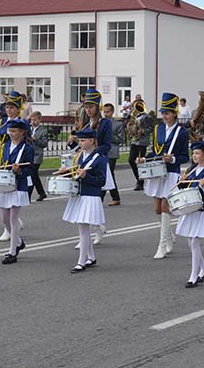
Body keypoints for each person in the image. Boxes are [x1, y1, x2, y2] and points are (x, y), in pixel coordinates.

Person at [136, 92, 189, 259]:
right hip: (157, 172)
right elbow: (155, 152)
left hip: (171, 172)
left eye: (167, 112)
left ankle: (162, 244)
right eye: (163, 112)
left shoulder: (182, 132)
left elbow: (185, 157)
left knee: (166, 207)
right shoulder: (158, 129)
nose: (164, 116)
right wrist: (144, 159)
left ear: (175, 113)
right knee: (157, 209)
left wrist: (173, 158)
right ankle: (169, 235)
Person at [56, 128, 106, 273]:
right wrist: (65, 172)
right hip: (79, 194)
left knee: (84, 229)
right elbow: (74, 174)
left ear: (92, 141)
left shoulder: (100, 158)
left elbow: (101, 181)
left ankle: (81, 261)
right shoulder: (79, 156)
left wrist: (86, 177)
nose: (81, 143)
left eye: (83, 141)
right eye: (80, 140)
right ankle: (91, 257)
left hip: (91, 195)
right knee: (82, 228)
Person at [69, 89, 113, 245]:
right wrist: (73, 141)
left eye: (91, 106)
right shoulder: (86, 124)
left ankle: (97, 229)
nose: (88, 110)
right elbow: (81, 145)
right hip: (85, 163)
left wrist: (94, 155)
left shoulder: (105, 123)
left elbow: (107, 145)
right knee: (86, 198)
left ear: (97, 107)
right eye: (86, 107)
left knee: (95, 199)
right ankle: (96, 229)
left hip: (98, 163)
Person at [175, 141, 204, 288]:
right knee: (190, 241)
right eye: (193, 153)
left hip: (202, 209)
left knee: (194, 241)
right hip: (190, 208)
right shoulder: (191, 171)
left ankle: (193, 276)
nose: (194, 156)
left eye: (197, 153)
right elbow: (185, 188)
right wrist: (181, 181)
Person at [0, 119, 34, 265]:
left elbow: (30, 168)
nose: (11, 133)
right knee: (4, 218)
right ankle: (19, 241)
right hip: (4, 185)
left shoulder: (27, 148)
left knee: (13, 218)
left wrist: (20, 170)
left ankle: (12, 251)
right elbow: (1, 163)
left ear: (22, 132)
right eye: (10, 131)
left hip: (19, 185)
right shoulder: (5, 146)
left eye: (14, 131)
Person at [0, 91, 27, 241]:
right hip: (3, 163)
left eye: (12, 108)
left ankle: (12, 229)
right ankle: (11, 227)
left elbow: (26, 143)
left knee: (12, 201)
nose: (9, 110)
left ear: (18, 109)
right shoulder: (1, 122)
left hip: (16, 164)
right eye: (7, 107)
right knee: (3, 200)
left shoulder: (23, 124)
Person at [127, 99, 154, 191]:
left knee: (140, 161)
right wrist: (129, 128)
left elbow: (151, 128)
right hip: (134, 141)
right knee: (131, 160)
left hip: (142, 142)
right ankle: (139, 178)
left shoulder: (147, 117)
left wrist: (143, 131)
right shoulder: (133, 116)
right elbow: (130, 126)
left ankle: (140, 182)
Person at [102, 103, 124, 206]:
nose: (106, 114)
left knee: (107, 174)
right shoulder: (100, 123)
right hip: (102, 152)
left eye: (108, 112)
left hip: (112, 152)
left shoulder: (117, 124)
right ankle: (116, 197)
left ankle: (100, 197)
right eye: (104, 112)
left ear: (112, 112)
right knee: (108, 174)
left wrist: (109, 135)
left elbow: (121, 139)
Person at [28, 111, 48, 201]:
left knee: (32, 174)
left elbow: (44, 144)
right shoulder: (29, 129)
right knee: (34, 175)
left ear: (39, 120)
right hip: (30, 155)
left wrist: (35, 140)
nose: (33, 122)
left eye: (35, 120)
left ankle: (28, 195)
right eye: (31, 120)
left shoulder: (43, 130)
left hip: (37, 155)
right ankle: (42, 193)